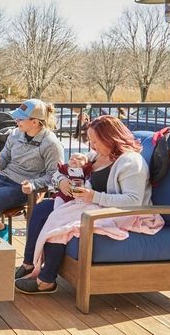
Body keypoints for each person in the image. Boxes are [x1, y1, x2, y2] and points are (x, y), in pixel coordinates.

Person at [14, 115, 151, 294]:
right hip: (89, 205)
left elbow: (134, 201)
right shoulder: (95, 156)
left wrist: (94, 196)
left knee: (62, 225)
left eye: (96, 141)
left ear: (111, 137)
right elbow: (60, 171)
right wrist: (62, 181)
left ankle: (46, 281)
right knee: (42, 209)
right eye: (90, 141)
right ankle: (29, 263)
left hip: (118, 213)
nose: (91, 146)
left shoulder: (131, 162)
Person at [0, 99, 63, 231]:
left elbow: (55, 176)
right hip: (1, 178)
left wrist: (33, 184)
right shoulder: (15, 134)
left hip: (22, 188)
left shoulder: (51, 144)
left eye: (20, 119)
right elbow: (3, 161)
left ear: (35, 122)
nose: (16, 121)